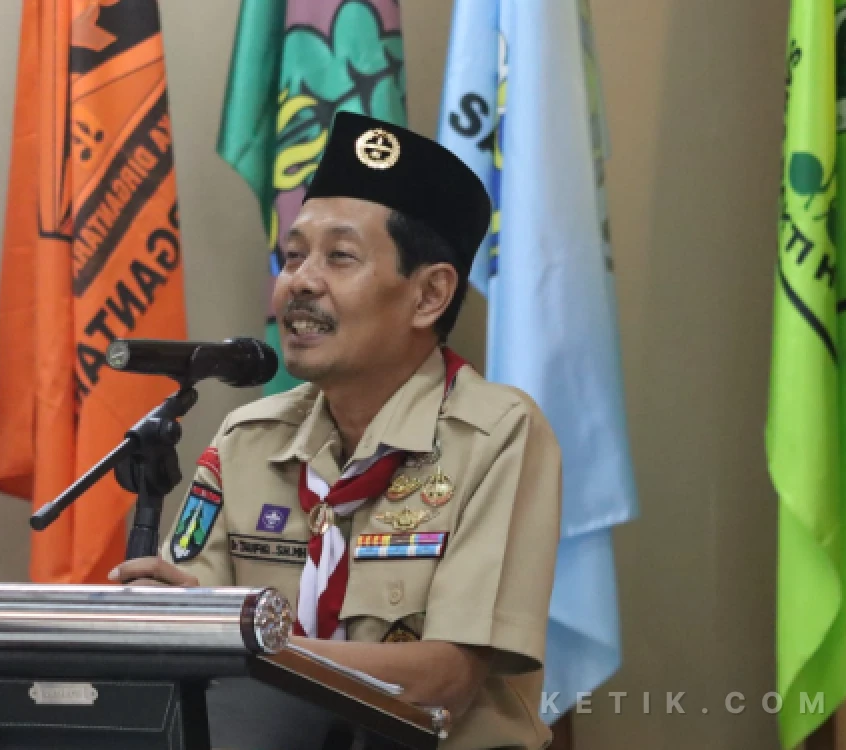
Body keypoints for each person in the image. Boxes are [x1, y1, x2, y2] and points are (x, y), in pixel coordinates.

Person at [109, 112, 562, 750]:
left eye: (339, 257)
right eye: (293, 256)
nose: (300, 282)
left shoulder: (495, 436)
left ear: (430, 295)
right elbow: (189, 645)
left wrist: (255, 645)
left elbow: (444, 679)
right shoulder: (249, 439)